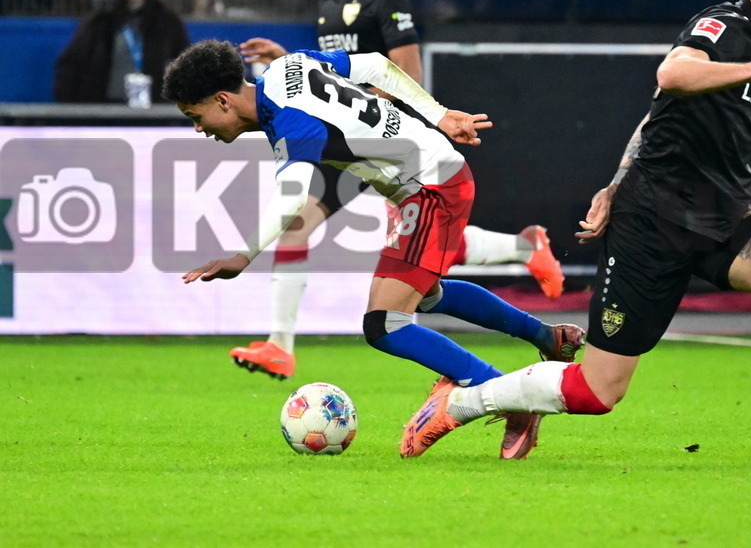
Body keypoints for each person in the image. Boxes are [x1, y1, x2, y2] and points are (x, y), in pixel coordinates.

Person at [398, 0, 751, 465]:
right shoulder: (727, 26)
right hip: (655, 220)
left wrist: (613, 182)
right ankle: (461, 401)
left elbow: (656, 113)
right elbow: (672, 75)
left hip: (720, 213)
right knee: (598, 392)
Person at [162, 40, 583, 459]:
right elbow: (376, 66)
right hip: (420, 183)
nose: (199, 128)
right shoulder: (289, 65)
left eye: (195, 117)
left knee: (385, 324)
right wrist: (439, 115)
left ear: (222, 100)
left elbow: (291, 199)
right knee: (427, 293)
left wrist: (242, 255)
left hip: (431, 188)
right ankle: (548, 336)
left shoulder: (290, 123)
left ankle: (507, 396)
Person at [229, 0, 564, 381]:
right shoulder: (327, 1)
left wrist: (355, 113)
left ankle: (282, 345)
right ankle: (522, 250)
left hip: (382, 142)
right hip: (347, 140)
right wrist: (288, 62)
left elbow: (405, 70)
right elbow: (327, 75)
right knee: (421, 274)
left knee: (332, 240)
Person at [54, 0, 189, 104]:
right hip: (107, 111)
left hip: (154, 111)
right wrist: (72, 106)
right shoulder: (102, 20)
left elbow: (186, 63)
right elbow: (71, 62)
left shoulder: (167, 21)